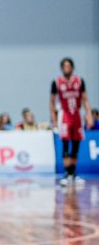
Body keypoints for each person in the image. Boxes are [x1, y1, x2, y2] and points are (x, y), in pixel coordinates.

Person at [50, 57, 92, 187]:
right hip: (64, 115)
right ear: (61, 68)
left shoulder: (79, 81)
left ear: (72, 68)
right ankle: (66, 173)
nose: (66, 68)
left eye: (68, 66)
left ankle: (73, 173)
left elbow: (85, 99)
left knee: (75, 146)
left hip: (77, 115)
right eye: (64, 66)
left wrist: (88, 115)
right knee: (65, 145)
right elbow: (52, 102)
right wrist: (54, 119)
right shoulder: (57, 82)